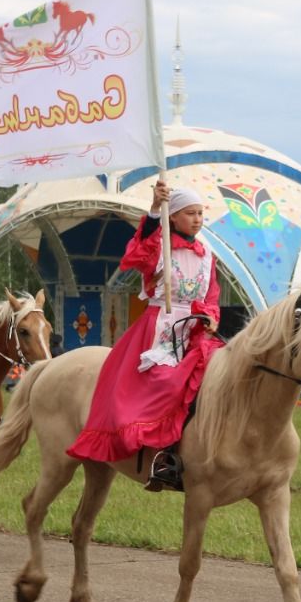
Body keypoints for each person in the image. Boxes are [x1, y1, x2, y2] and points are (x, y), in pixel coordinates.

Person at [67, 180, 222, 492]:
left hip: (195, 329)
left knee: (222, 374)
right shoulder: (158, 248)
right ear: (173, 217)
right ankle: (160, 455)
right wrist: (154, 211)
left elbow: (212, 295)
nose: (196, 219)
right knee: (166, 380)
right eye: (189, 213)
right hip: (160, 330)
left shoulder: (207, 256)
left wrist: (209, 315)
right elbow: (137, 254)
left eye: (200, 213)